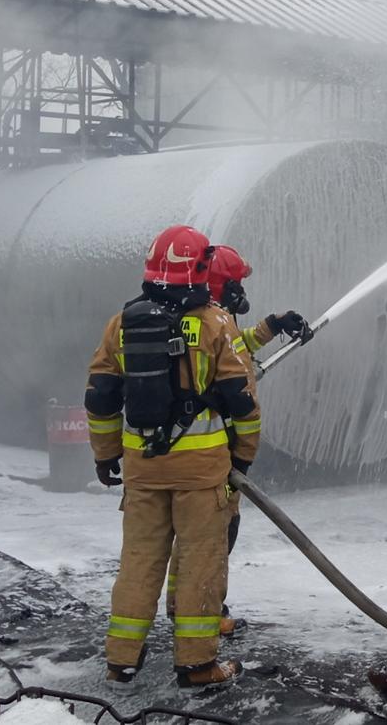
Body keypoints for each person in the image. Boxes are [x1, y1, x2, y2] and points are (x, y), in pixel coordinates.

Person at [86, 225, 259, 687]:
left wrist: (106, 455)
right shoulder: (215, 324)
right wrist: (242, 460)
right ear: (199, 268)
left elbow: (100, 396)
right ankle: (198, 666)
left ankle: (121, 659)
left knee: (139, 560)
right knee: (201, 563)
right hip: (202, 476)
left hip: (142, 471)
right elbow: (242, 401)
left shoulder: (122, 324)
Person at [161, 244, 310, 637]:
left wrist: (274, 325)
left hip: (195, 451)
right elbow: (231, 369)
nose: (241, 291)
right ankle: (205, 612)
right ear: (219, 284)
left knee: (193, 537)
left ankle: (181, 606)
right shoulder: (209, 322)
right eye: (235, 283)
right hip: (211, 453)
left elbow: (236, 347)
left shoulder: (204, 320)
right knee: (215, 536)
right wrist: (243, 457)